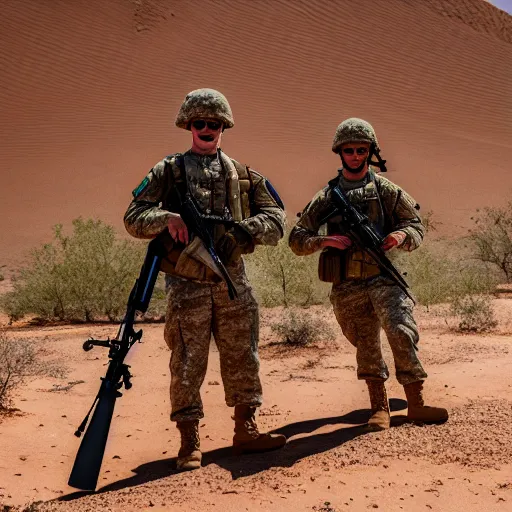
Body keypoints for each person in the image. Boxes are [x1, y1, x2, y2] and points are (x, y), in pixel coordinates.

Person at [124, 88, 286, 470]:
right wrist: (167, 219)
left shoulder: (245, 175)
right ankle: (189, 442)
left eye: (214, 124)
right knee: (186, 362)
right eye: (200, 123)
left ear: (223, 126)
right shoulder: (169, 172)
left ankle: (246, 430)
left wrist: (245, 232)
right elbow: (133, 217)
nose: (207, 129)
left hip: (232, 283)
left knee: (243, 356)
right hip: (186, 285)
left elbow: (277, 219)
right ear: (189, 126)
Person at [288, 118, 448, 430]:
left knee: (402, 333)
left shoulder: (386, 190)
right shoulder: (327, 197)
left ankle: (416, 403)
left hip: (383, 276)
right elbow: (297, 238)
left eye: (362, 150)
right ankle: (379, 408)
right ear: (340, 152)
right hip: (347, 283)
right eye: (349, 150)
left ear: (370, 152)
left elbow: (414, 224)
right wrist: (325, 240)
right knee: (365, 343)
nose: (356, 155)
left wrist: (400, 238)